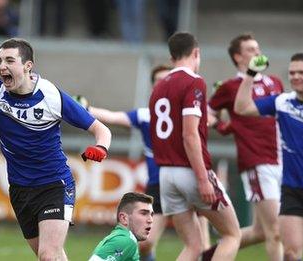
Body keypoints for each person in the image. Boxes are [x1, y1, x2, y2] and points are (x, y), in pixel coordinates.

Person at [0, 38, 112, 260]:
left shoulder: (51, 95)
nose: (2, 67)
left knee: (48, 255)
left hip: (54, 184)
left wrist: (101, 147)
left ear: (28, 66)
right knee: (51, 256)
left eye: (9, 60)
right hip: (20, 189)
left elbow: (101, 129)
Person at [75, 64, 212, 260]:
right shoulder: (146, 115)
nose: (164, 84)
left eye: (166, 80)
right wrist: (86, 108)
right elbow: (114, 117)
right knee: (146, 244)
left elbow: (210, 120)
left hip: (192, 178)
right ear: (153, 88)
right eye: (159, 81)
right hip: (161, 185)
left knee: (203, 247)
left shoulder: (189, 111)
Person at [149, 32, 241, 260]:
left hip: (166, 176)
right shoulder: (194, 81)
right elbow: (189, 135)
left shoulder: (158, 88)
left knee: (193, 246)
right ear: (196, 52)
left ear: (171, 57)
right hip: (189, 170)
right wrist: (202, 178)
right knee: (232, 235)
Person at [205, 33, 284, 260]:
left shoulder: (274, 82)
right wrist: (222, 125)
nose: (257, 53)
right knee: (276, 231)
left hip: (282, 158)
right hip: (257, 161)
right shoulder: (230, 87)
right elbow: (206, 115)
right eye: (250, 49)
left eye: (257, 48)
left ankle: (211, 254)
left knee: (261, 231)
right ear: (238, 57)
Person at [234, 53, 303, 261]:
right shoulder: (282, 102)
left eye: (302, 72)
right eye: (292, 72)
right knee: (290, 254)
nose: (296, 76)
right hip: (293, 189)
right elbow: (241, 108)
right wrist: (251, 74)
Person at [89, 192, 154, 261]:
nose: (150, 220)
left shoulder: (122, 238)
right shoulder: (124, 241)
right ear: (124, 218)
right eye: (143, 213)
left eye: (151, 214)